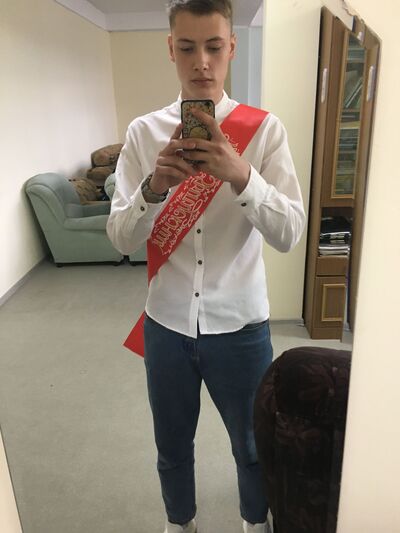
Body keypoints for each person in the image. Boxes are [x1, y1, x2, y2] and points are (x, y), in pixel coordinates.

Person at [106, 1, 305, 532]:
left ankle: (254, 523)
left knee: (253, 446)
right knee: (171, 446)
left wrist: (242, 175)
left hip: (241, 324)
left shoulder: (264, 132)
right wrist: (153, 189)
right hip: (167, 324)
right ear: (170, 49)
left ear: (231, 47)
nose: (202, 62)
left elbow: (290, 233)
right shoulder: (144, 133)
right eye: (188, 47)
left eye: (214, 47)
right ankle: (180, 524)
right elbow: (120, 237)